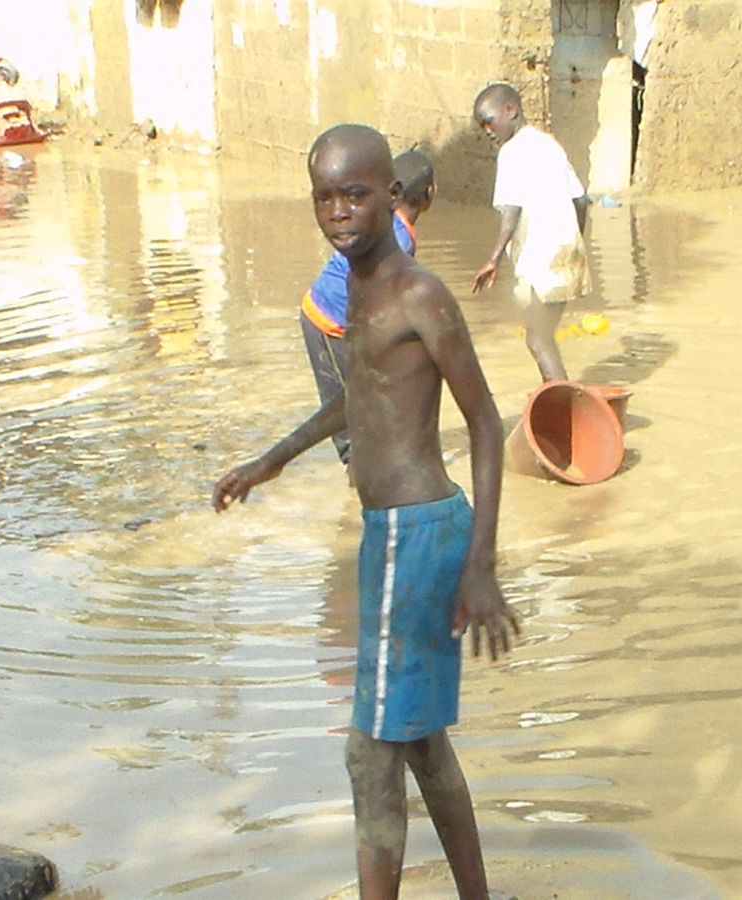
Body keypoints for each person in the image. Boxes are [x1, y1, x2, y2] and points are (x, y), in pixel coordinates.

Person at [213, 124, 518, 900]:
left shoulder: (419, 292)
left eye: (354, 194)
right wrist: (274, 459)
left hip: (417, 534)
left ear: (392, 194)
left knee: (369, 754)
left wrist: (480, 565)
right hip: (393, 534)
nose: (339, 211)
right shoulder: (352, 286)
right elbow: (361, 394)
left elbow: (485, 421)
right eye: (324, 197)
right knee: (421, 746)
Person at [300, 149, 436, 464]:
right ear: (430, 194)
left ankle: (363, 468)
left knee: (357, 405)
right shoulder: (399, 239)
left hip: (331, 315)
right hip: (328, 322)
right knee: (351, 410)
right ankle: (357, 472)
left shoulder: (387, 225)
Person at [471, 82, 592, 383]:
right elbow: (580, 200)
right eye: (482, 126)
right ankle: (555, 393)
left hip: (543, 260)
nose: (487, 131)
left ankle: (562, 404)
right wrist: (574, 242)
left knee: (537, 339)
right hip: (566, 253)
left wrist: (493, 259)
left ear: (511, 110)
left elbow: (511, 210)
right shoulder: (549, 145)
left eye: (489, 121)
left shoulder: (512, 152)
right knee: (543, 334)